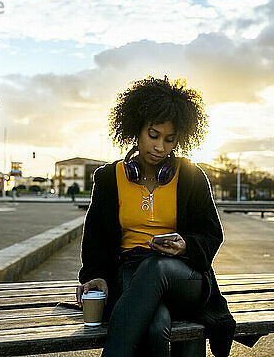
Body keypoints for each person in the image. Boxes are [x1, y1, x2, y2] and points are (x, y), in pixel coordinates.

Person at [76, 76, 235, 357]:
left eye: (169, 139)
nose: (160, 146)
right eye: (153, 134)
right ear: (135, 129)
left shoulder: (191, 176)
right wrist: (96, 275)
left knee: (156, 267)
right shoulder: (108, 178)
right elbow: (96, 237)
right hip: (129, 273)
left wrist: (185, 245)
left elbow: (212, 234)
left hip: (185, 277)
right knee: (155, 325)